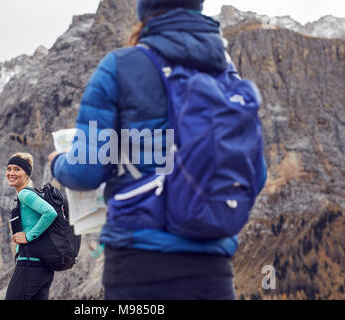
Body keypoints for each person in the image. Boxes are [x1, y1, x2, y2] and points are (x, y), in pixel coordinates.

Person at [49, 0, 267, 300]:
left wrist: (58, 163)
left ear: (145, 10)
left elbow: (85, 171)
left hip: (139, 265)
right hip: (213, 269)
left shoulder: (121, 66)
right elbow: (257, 175)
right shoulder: (228, 76)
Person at [5, 152, 58, 300]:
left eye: (17, 169)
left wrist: (28, 236)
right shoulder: (33, 194)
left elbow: (50, 213)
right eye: (9, 169)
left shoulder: (25, 195)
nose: (11, 173)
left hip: (30, 265)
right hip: (44, 269)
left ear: (26, 174)